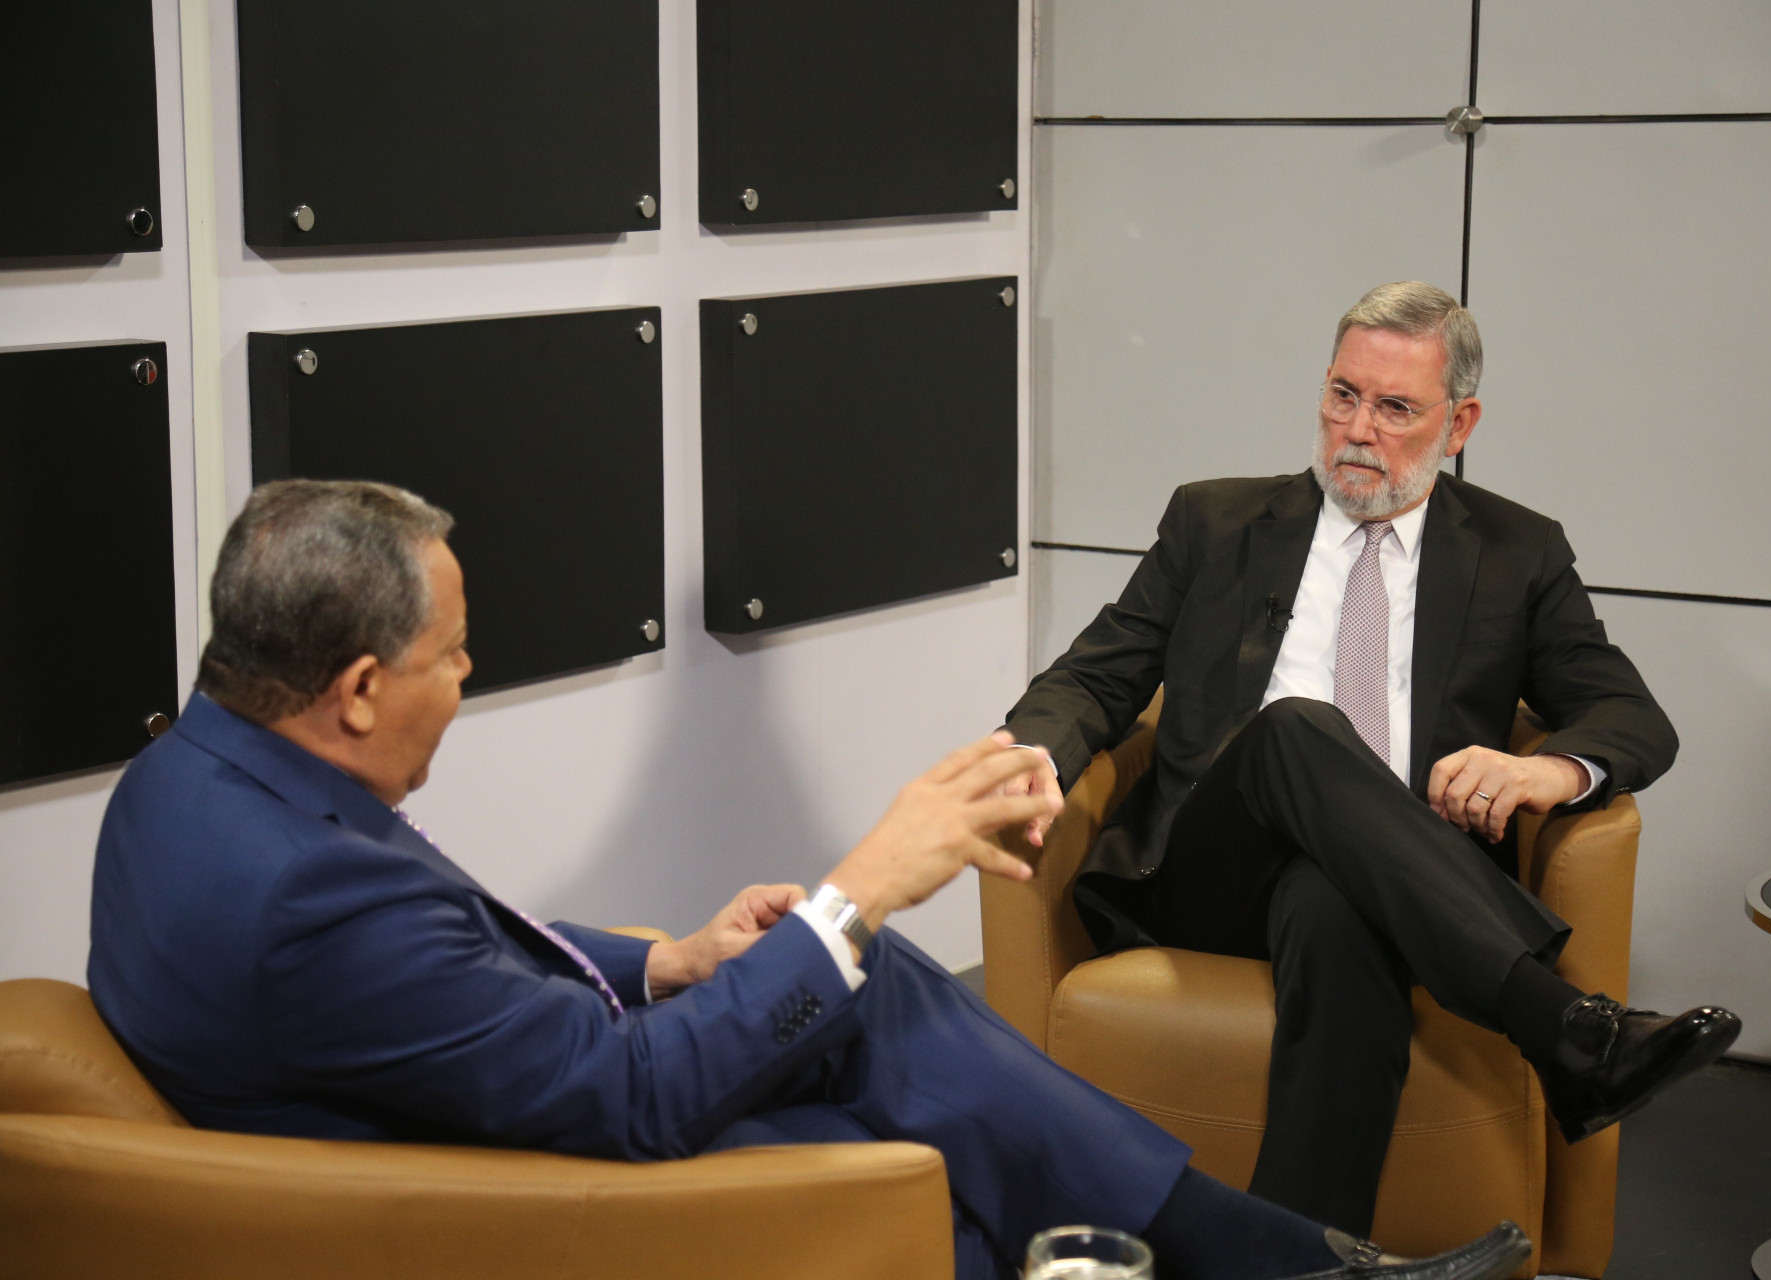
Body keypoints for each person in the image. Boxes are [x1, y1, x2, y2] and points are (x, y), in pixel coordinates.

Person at [88, 479, 1532, 1280]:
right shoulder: (302, 894)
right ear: (354, 687)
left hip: (472, 1102)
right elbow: (627, 1097)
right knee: (934, 1134)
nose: (467, 679)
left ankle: (1282, 1265)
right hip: (507, 1191)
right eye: (453, 656)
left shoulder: (189, 777)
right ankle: (1284, 1268)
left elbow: (437, 953)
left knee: (875, 992)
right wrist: (868, 880)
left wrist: (670, 960)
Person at [1000, 282, 1741, 1236]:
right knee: (1295, 726)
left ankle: (1296, 1252)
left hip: (1394, 890)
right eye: (1344, 395)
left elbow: (1630, 714)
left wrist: (1544, 772)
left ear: (1459, 424)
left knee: (1335, 903)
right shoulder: (1216, 522)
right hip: (1210, 872)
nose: (1357, 430)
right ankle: (1558, 1021)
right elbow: (1096, 675)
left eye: (1394, 408)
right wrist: (1028, 753)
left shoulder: (1516, 552)